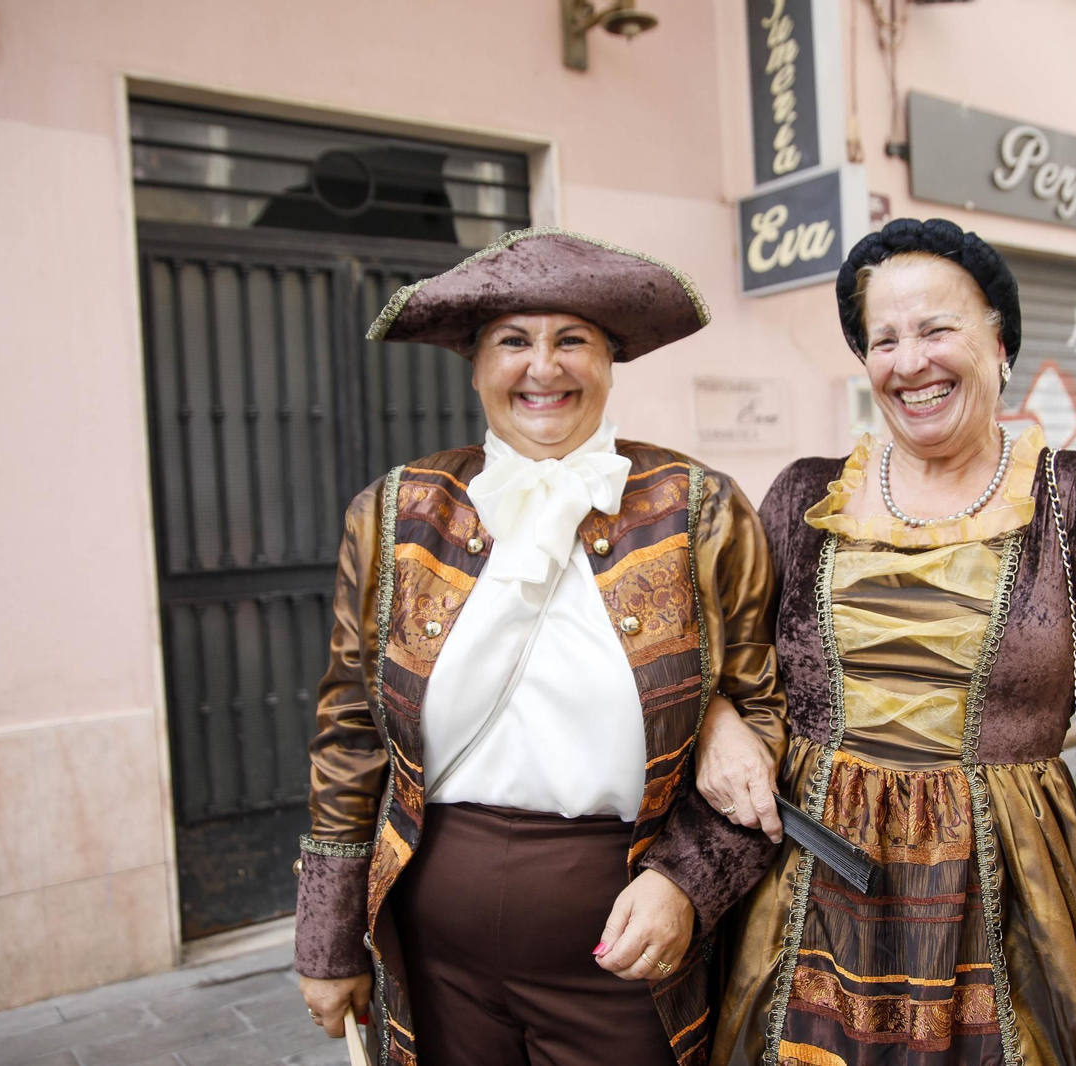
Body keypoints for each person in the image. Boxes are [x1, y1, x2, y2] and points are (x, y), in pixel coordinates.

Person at [695, 218, 1076, 1065]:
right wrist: (717, 722)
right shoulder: (805, 497)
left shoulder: (1068, 496)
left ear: (1000, 341)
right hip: (815, 885)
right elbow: (723, 662)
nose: (909, 360)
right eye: (882, 339)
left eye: (936, 328)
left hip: (1010, 891)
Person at [292, 227, 786, 1066]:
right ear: (476, 364)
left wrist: (685, 883)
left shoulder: (699, 510)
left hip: (630, 954)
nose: (543, 368)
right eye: (513, 341)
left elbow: (773, 719)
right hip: (436, 960)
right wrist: (328, 941)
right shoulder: (395, 513)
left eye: (573, 341)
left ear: (610, 359)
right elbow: (348, 729)